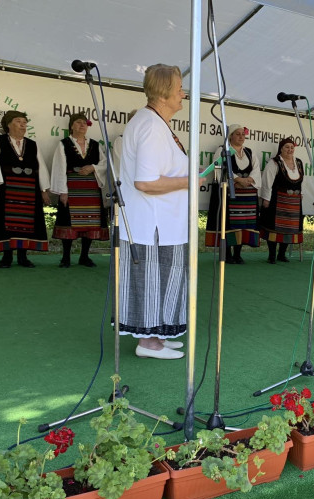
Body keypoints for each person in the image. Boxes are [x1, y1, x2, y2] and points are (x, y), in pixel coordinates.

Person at [117, 63, 191, 359]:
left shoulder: (155, 123)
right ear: (164, 92)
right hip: (152, 223)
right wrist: (190, 181)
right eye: (179, 88)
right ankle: (148, 343)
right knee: (152, 280)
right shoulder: (149, 125)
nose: (183, 94)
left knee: (162, 279)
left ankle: (157, 336)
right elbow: (145, 182)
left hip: (162, 221)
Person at [0, 110, 50, 268]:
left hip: (29, 190)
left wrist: (44, 191)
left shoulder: (32, 144)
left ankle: (23, 257)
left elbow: (40, 167)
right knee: (4, 222)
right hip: (5, 189)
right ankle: (6, 257)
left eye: (24, 122)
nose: (23, 125)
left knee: (26, 223)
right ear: (8, 124)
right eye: (18, 121)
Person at [51, 113, 109, 268]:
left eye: (85, 123)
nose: (82, 125)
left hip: (91, 189)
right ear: (71, 126)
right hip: (71, 187)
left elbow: (104, 163)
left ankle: (84, 256)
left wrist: (93, 167)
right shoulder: (63, 144)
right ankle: (65, 258)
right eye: (78, 122)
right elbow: (59, 168)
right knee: (69, 223)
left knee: (90, 222)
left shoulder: (95, 145)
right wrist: (63, 191)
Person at [205, 124, 261, 264]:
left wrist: (248, 180)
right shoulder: (223, 150)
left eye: (243, 134)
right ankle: (227, 254)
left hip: (246, 195)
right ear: (230, 136)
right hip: (229, 193)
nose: (241, 137)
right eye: (238, 134)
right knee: (228, 224)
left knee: (243, 223)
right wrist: (237, 179)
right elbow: (219, 168)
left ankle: (238, 254)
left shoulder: (249, 152)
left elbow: (256, 169)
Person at [259, 137, 303, 264]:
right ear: (281, 149)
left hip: (294, 202)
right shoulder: (274, 163)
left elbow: (302, 181)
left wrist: (302, 194)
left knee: (289, 229)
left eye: (292, 147)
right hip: (277, 200)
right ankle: (272, 255)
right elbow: (267, 182)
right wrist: (266, 198)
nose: (290, 150)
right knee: (273, 228)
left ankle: (282, 254)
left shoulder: (299, 163)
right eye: (287, 147)